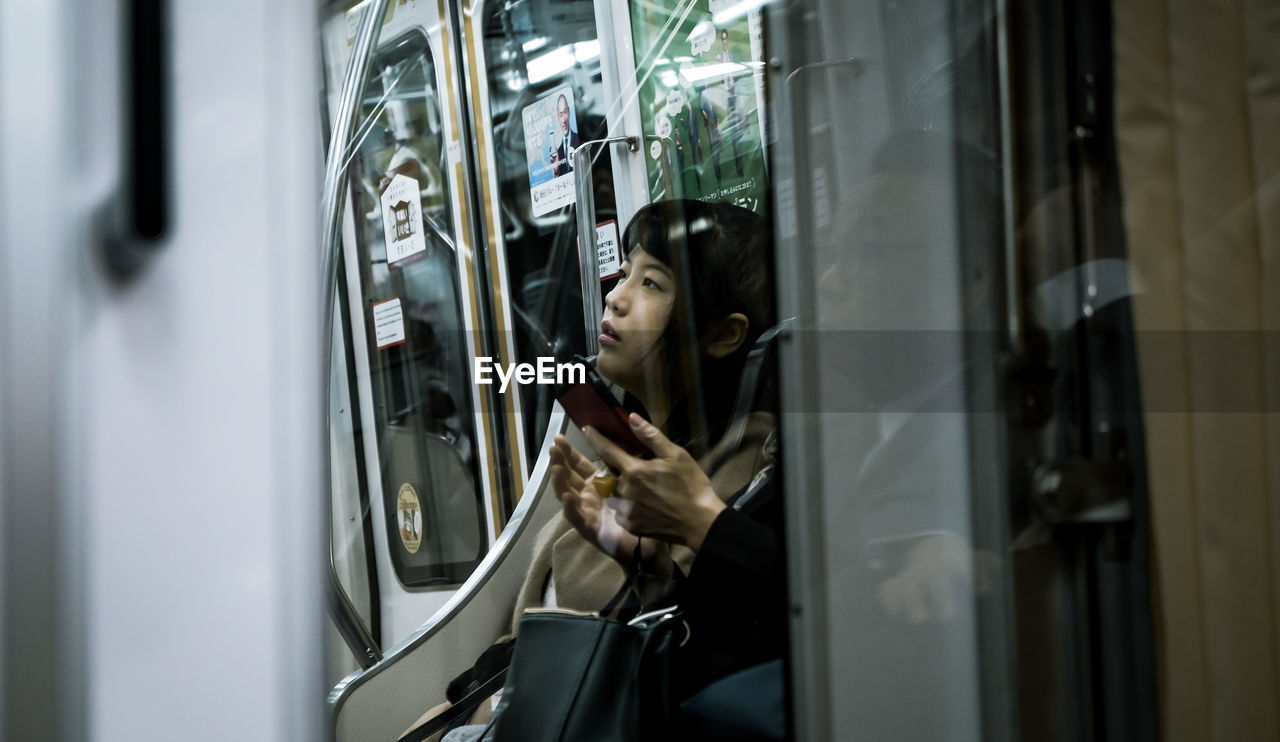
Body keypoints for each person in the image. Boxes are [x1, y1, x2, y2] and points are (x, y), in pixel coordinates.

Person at [402, 199, 778, 742]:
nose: (616, 298)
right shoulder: (624, 451)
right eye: (623, 274)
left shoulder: (738, 466)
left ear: (724, 335)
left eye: (652, 284)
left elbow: (647, 638)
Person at [549, 94, 581, 177]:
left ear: (569, 112)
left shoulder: (580, 140)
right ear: (557, 117)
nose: (563, 120)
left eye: (565, 112)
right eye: (560, 115)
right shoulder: (558, 153)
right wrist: (556, 171)